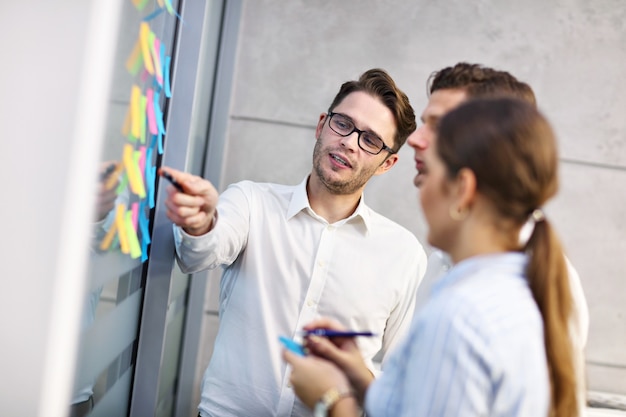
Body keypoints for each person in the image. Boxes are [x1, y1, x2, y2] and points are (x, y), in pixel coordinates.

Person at [284, 97, 583, 417]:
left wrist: (331, 399)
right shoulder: (523, 292)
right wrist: (358, 372)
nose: (421, 190)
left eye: (428, 174)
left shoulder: (459, 316)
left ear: (463, 189)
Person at [161, 68, 428, 417]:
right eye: (343, 124)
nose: (349, 142)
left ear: (387, 163)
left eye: (371, 140)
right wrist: (200, 224)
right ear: (322, 125)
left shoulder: (403, 254)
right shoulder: (251, 202)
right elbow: (198, 254)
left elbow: (395, 382)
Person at [409, 63, 589, 351]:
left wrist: (332, 396)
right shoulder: (440, 260)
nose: (414, 139)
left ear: (492, 146)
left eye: (439, 126)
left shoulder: (543, 284)